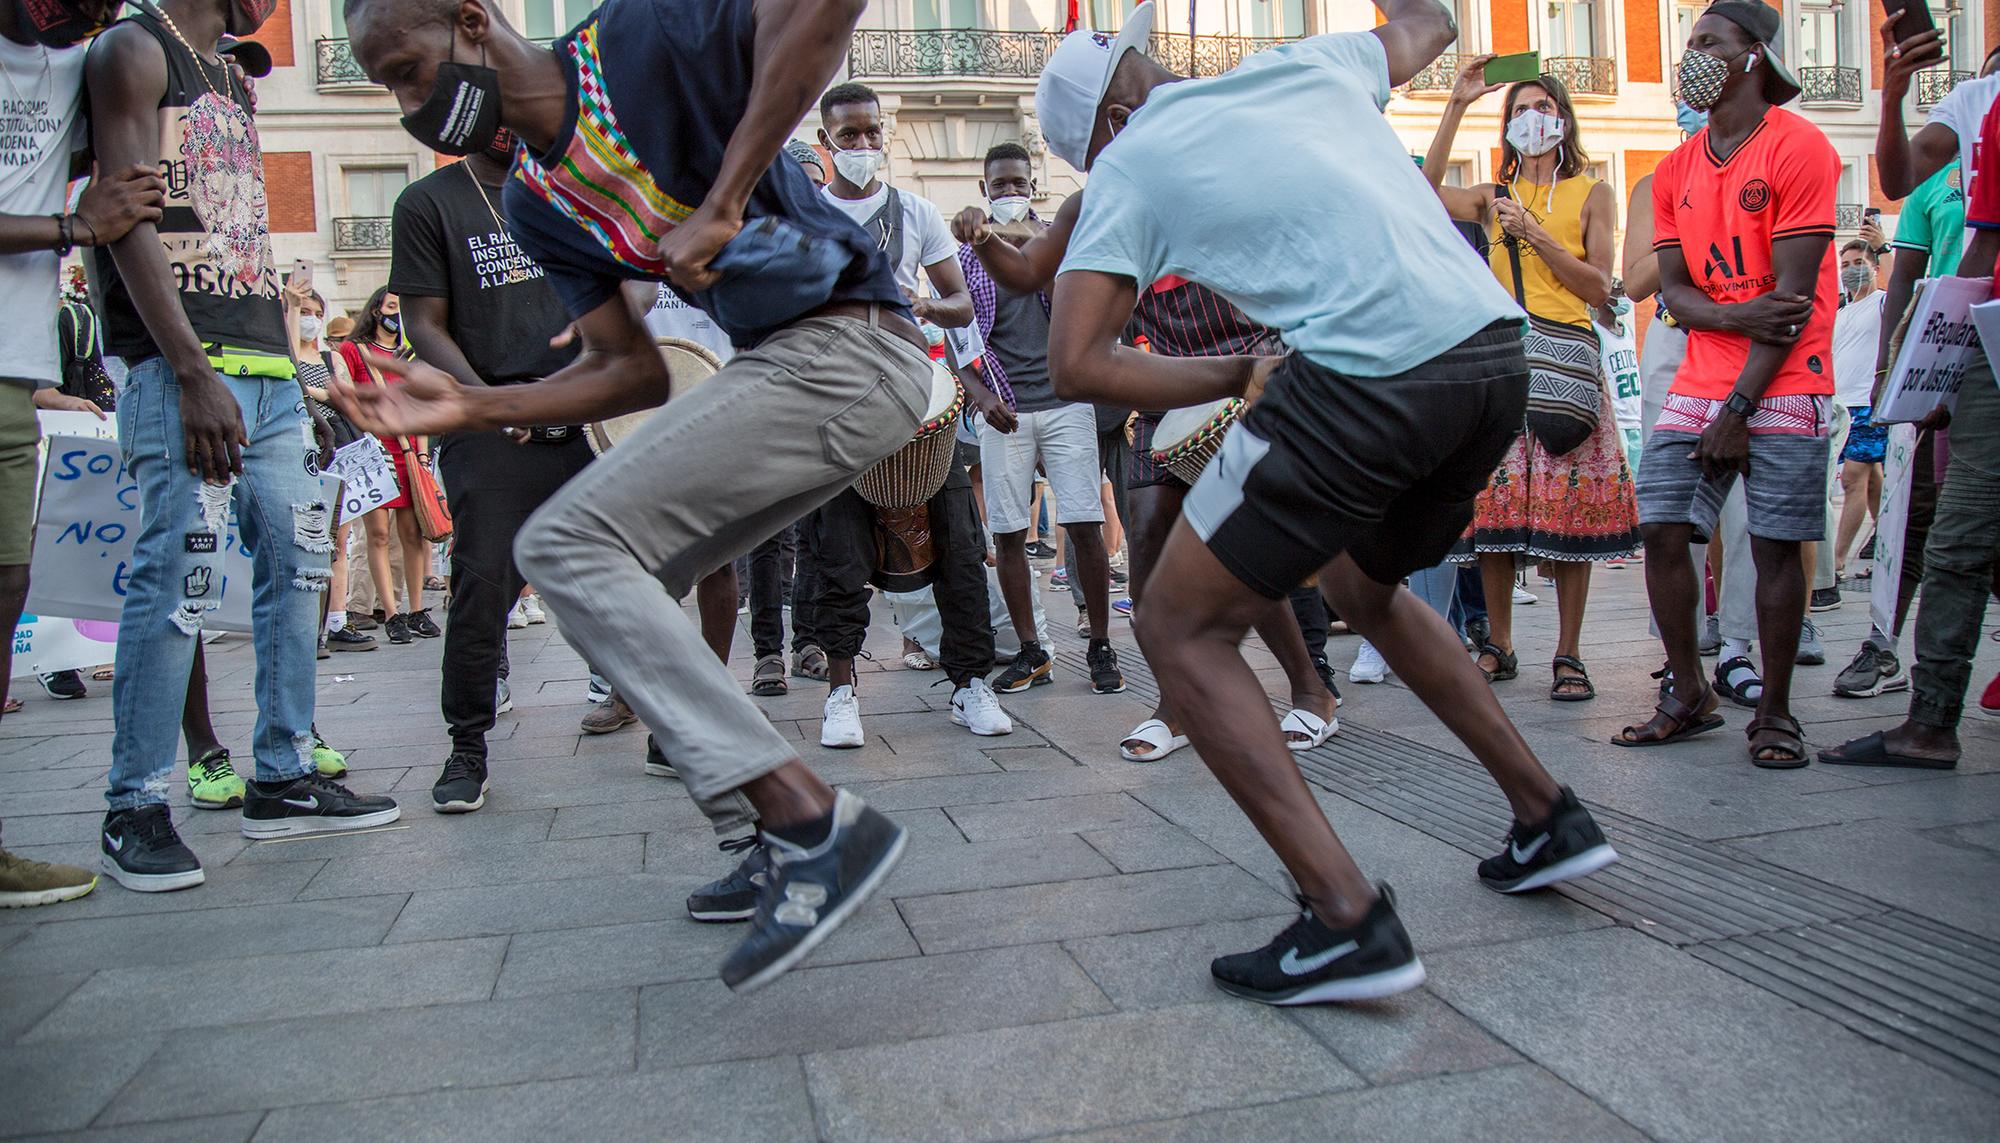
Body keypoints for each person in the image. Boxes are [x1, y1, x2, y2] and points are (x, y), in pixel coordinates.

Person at [340, 0, 935, 992]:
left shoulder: (637, 39)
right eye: (388, 88)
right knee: (618, 583)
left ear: (471, 22)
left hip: (852, 346)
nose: (408, 102)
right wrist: (475, 402)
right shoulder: (535, 203)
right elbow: (628, 373)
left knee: (564, 545)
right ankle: (759, 831)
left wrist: (727, 197)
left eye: (408, 68)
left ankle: (809, 825)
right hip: (794, 365)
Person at [1037, 1, 1617, 1005]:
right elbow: (1431, 25)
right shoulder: (1305, 62)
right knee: (1363, 582)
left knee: (1176, 626)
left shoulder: (1126, 166)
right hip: (1489, 355)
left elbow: (1075, 360)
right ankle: (1545, 815)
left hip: (1367, 372)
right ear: (1138, 72)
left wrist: (1231, 375)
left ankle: (1344, 917)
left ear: (1097, 131)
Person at [87, 0, 400, 892]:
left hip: (267, 370)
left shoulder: (230, 71)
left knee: (301, 570)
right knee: (177, 576)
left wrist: (294, 371)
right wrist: (187, 370)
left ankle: (283, 774)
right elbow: (125, 222)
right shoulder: (133, 50)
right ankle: (136, 803)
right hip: (184, 371)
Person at [950, 152, 1338, 761]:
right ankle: (1177, 706)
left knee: (1245, 552)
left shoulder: (1216, 189)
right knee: (1151, 557)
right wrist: (980, 234)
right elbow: (1025, 269)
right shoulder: (1094, 205)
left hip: (1247, 374)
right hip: (1164, 389)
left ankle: (1312, 691)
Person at [1612, 2, 1838, 769]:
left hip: (1788, 381)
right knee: (1662, 528)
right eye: (1689, 44)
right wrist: (1744, 312)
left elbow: (1796, 306)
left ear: (1754, 55)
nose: (1691, 57)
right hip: (1701, 378)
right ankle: (1687, 688)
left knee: (1775, 546)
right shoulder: (1675, 170)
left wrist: (1740, 406)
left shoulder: (1800, 147)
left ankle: (1774, 712)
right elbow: (1672, 296)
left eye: (1708, 42)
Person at [0, 0, 163, 906]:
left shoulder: (77, 68)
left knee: (7, 582)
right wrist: (72, 228)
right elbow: (84, 213)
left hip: (17, 369)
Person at [389, 126, 595, 813]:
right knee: (482, 583)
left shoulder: (572, 190)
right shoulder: (430, 202)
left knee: (643, 575)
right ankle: (468, 745)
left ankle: (659, 720)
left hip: (587, 416)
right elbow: (423, 322)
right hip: (487, 418)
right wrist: (485, 400)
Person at [1422, 56, 1639, 703]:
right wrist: (1457, 105)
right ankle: (1500, 644)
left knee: (1567, 513)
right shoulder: (1493, 198)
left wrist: (1537, 236)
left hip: (1566, 364)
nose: (1530, 119)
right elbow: (1425, 192)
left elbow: (1601, 285)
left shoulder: (1593, 193)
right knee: (1490, 512)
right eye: (1518, 110)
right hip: (1502, 368)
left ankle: (1569, 651)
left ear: (1564, 119)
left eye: (1541, 107)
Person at [805, 82, 1010, 747]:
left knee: (956, 543)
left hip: (916, 396)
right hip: (838, 403)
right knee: (838, 555)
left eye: (871, 134)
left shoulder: (916, 211)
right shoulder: (803, 217)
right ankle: (842, 693)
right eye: (848, 137)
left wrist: (914, 304)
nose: (863, 147)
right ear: (826, 144)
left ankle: (970, 683)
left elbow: (961, 305)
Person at [1818, 86, 2000, 772]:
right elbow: (1972, 246)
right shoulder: (1986, 111)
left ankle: (1930, 722)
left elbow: (1985, 248)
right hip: (1989, 345)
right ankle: (1929, 720)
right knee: (1954, 533)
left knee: (1960, 538)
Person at [942, 145, 1126, 698]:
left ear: (1034, 184)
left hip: (1067, 401)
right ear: (983, 190)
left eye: (1017, 183)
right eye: (998, 186)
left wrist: (1027, 247)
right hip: (1005, 409)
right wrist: (978, 396)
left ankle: (1099, 643)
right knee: (1008, 532)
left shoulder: (1059, 245)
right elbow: (957, 341)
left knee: (1084, 524)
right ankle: (1031, 650)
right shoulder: (965, 260)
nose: (1008, 194)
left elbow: (1079, 312)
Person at [337, 287, 437, 646]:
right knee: (378, 535)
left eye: (400, 308)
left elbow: (420, 409)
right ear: (375, 310)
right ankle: (391, 613)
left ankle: (416, 608)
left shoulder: (409, 356)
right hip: (374, 452)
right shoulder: (353, 351)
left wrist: (423, 456)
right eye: (391, 307)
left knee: (412, 535)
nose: (397, 315)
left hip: (408, 451)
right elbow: (344, 396)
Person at [1829, 239, 1886, 585]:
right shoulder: (1841, 311)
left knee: (1853, 478)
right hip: (1842, 404)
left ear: (1875, 267)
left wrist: (1885, 249)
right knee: (1871, 480)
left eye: (1859, 262)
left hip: (1869, 401)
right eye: (1845, 264)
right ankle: (1892, 549)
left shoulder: (1883, 303)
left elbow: (1904, 293)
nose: (1851, 270)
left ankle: (1836, 560)